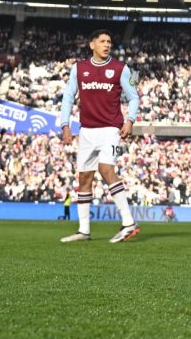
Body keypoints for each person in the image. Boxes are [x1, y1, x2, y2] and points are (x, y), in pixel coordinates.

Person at [58, 28, 142, 244]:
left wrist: (130, 120)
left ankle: (128, 223)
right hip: (86, 131)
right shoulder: (79, 68)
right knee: (84, 178)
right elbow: (68, 97)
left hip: (110, 130)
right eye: (102, 41)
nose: (107, 44)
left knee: (106, 170)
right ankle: (84, 230)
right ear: (92, 44)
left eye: (109, 41)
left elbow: (134, 97)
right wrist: (65, 124)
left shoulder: (119, 69)